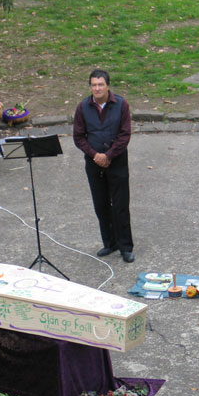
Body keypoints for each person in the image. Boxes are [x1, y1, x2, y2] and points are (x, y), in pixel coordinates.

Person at [73, 69, 134, 263]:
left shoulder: (121, 105)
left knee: (120, 205)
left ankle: (126, 246)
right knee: (101, 205)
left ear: (108, 86)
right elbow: (78, 137)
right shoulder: (82, 107)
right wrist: (95, 156)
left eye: (100, 85)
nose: (97, 88)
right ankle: (110, 242)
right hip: (93, 164)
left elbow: (125, 135)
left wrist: (109, 155)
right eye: (93, 85)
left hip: (117, 162)